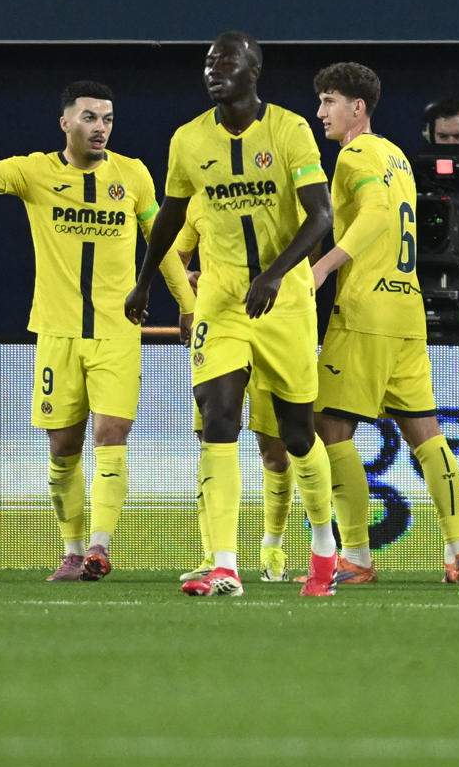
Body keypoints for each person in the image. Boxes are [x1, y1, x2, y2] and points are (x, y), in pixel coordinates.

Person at [0, 79, 194, 581]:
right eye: (89, 117)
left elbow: (162, 240)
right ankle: (71, 548)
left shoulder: (133, 176)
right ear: (65, 122)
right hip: (57, 333)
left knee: (112, 435)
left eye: (107, 118)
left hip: (117, 331)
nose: (100, 127)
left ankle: (100, 548)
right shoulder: (35, 173)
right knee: (64, 448)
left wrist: (187, 304)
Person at [124, 31, 340, 598]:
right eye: (208, 62)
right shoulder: (187, 140)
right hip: (220, 302)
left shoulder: (290, 130)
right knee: (218, 417)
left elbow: (321, 216)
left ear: (255, 70)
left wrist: (275, 274)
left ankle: (323, 545)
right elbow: (169, 218)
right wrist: (147, 282)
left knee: (297, 435)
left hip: (285, 301)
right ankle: (223, 563)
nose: (214, 70)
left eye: (227, 61)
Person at [309, 63, 459, 585]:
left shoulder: (355, 153)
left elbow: (376, 214)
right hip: (407, 308)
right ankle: (458, 550)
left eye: (329, 101)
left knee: (329, 429)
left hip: (364, 312)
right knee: (425, 432)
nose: (321, 112)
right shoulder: (396, 155)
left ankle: (356, 555)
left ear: (358, 108)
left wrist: (322, 268)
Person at [174, 214, 299, 583]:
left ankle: (273, 548)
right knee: (212, 439)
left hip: (274, 325)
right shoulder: (202, 194)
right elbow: (176, 257)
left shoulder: (273, 187)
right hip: (220, 324)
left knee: (275, 450)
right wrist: (189, 290)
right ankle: (214, 553)